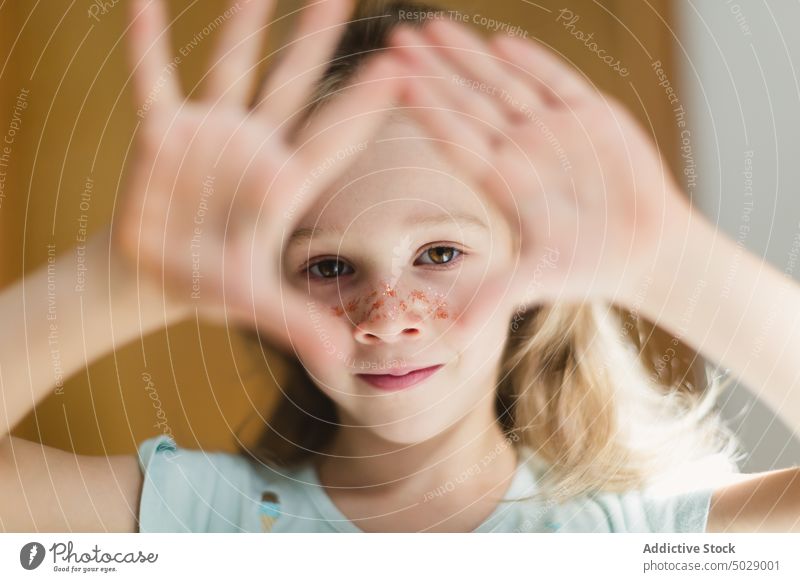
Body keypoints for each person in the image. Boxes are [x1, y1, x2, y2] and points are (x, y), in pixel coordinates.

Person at [1, 0, 799, 533]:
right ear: (262, 292)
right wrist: (118, 286)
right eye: (327, 267)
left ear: (535, 277)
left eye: (441, 254)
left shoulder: (640, 534)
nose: (388, 314)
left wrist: (674, 263)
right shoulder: (200, 517)